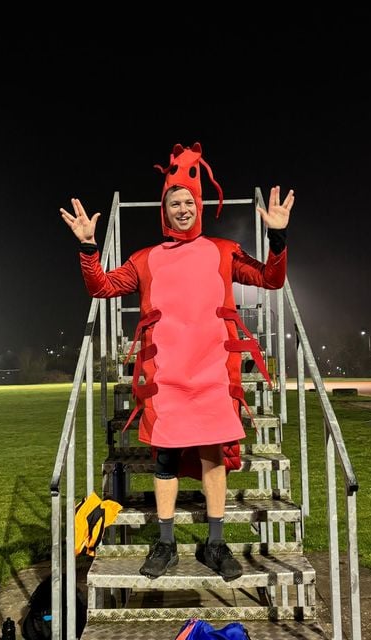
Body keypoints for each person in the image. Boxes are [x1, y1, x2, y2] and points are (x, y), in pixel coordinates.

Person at [60, 142, 294, 582]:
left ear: (198, 205)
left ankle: (216, 543)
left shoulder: (224, 251)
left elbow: (270, 279)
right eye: (174, 203)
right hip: (166, 377)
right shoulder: (145, 259)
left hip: (212, 375)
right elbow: (102, 287)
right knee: (165, 460)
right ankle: (165, 544)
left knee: (212, 457)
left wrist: (278, 236)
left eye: (188, 202)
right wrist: (89, 247)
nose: (182, 209)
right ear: (164, 210)